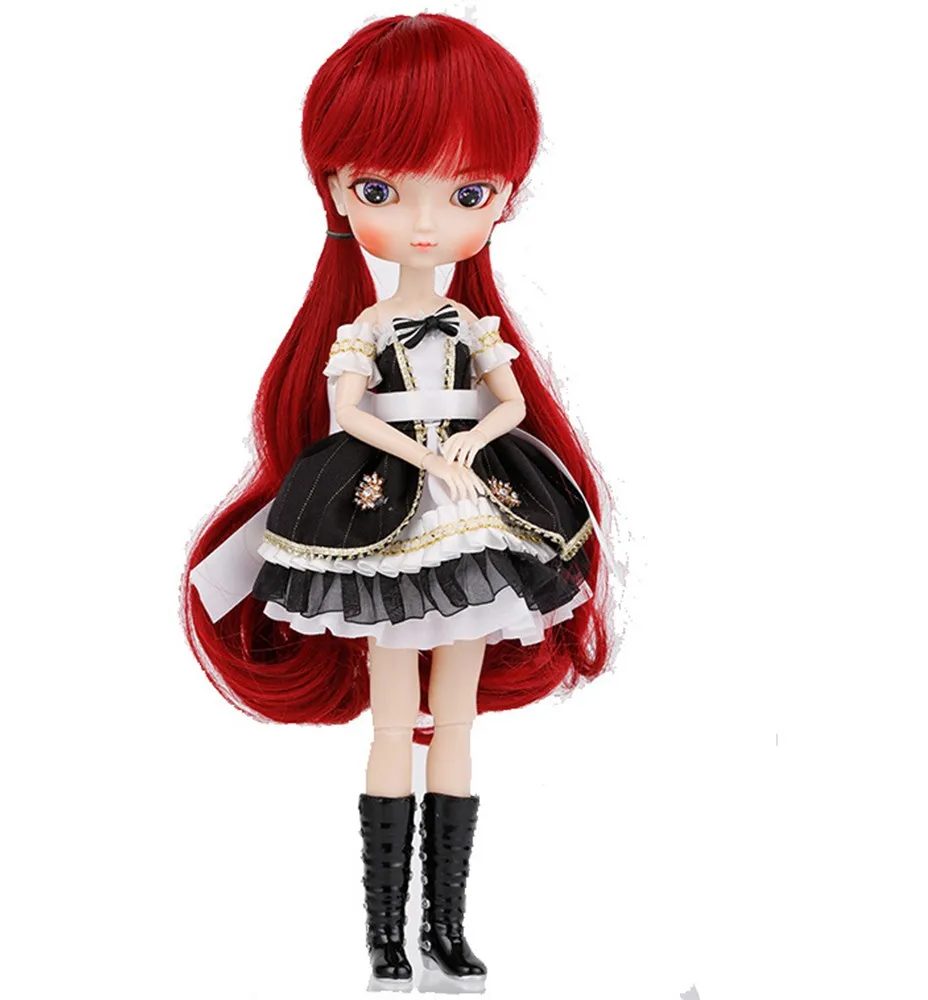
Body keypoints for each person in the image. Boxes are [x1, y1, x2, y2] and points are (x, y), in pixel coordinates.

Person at [183, 12, 623, 990]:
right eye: (384, 190)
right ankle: (387, 935)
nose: (426, 223)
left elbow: (509, 401)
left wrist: (469, 440)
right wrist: (419, 448)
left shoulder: (469, 322)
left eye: (466, 193)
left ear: (501, 201)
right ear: (340, 191)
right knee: (395, 722)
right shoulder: (367, 326)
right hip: (386, 507)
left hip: (471, 505)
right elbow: (351, 414)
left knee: (453, 721)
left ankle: (446, 930)